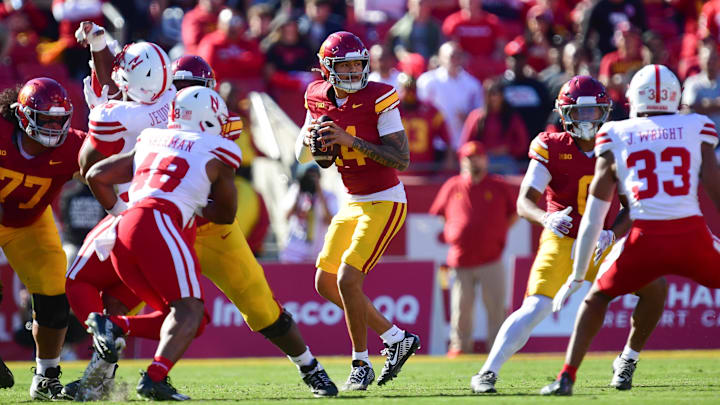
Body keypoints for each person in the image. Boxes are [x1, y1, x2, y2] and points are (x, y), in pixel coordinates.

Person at [65, 24, 337, 400]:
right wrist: (100, 49)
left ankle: (310, 367)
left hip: (202, 227)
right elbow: (119, 81)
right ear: (165, 87)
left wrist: (101, 48)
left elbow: (221, 208)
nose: (188, 95)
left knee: (260, 307)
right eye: (180, 86)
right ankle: (102, 379)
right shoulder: (155, 110)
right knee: (123, 300)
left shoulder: (197, 125)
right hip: (161, 223)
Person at [471, 75, 667, 394]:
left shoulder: (620, 144)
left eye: (594, 112)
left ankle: (628, 359)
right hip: (562, 240)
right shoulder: (550, 145)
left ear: (605, 112)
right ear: (564, 114)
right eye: (581, 112)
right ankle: (487, 372)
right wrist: (546, 218)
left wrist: (612, 234)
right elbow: (524, 203)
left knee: (655, 287)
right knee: (536, 308)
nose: (589, 120)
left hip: (603, 241)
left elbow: (633, 206)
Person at [541, 64, 720, 396]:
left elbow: (596, 214)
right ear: (674, 96)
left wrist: (578, 275)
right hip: (690, 234)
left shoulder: (617, 133)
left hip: (646, 238)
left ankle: (567, 376)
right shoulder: (697, 125)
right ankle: (623, 361)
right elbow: (715, 189)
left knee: (596, 299)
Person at [84, 86, 241, 401]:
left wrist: (121, 212)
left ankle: (115, 325)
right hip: (159, 222)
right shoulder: (220, 150)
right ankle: (154, 378)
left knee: (189, 319)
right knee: (189, 311)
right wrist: (195, 204)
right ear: (209, 120)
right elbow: (226, 214)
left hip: (124, 230)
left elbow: (96, 174)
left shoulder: (150, 137)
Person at [295, 31, 420, 391]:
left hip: (385, 199)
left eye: (356, 65)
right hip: (353, 201)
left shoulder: (379, 96)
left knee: (348, 278)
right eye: (344, 66)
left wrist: (351, 141)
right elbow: (303, 156)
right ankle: (397, 338)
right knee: (325, 281)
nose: (352, 72)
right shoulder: (316, 96)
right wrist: (308, 140)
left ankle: (361, 362)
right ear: (326, 69)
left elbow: (401, 159)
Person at [0, 77, 85, 400]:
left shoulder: (74, 145)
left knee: (53, 298)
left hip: (29, 223)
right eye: (44, 119)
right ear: (22, 116)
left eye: (58, 119)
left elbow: (110, 166)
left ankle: (46, 376)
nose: (52, 126)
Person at [429, 141, 516, 357]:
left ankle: (498, 348)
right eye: (468, 157)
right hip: (460, 258)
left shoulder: (498, 185)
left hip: (491, 257)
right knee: (461, 309)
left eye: (477, 156)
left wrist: (498, 232)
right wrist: (453, 231)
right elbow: (440, 214)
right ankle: (460, 346)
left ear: (485, 159)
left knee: (496, 308)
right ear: (462, 160)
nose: (473, 161)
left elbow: (514, 214)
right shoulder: (452, 185)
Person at [280, 164, 338, 263]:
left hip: (318, 251)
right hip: (293, 251)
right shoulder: (295, 192)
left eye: (313, 177)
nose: (310, 180)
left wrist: (320, 194)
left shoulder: (328, 196)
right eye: (307, 176)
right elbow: (286, 216)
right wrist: (299, 192)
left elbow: (331, 221)